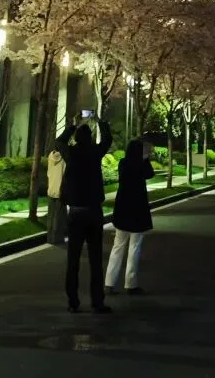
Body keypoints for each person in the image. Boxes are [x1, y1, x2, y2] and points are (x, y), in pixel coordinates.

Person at [54, 111, 112, 314]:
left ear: (76, 139)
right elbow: (107, 140)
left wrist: (73, 124)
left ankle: (73, 301)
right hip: (94, 211)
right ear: (90, 138)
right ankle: (97, 302)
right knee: (96, 260)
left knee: (73, 259)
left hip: (76, 212)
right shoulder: (95, 152)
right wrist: (100, 122)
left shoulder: (71, 153)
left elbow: (59, 141)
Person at [105, 138, 154, 296]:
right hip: (137, 212)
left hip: (123, 211)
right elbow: (150, 174)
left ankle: (109, 282)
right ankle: (130, 284)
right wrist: (145, 160)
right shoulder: (141, 165)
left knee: (117, 247)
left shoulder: (123, 163)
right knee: (134, 248)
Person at [46, 146, 67, 245]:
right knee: (59, 217)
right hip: (60, 190)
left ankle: (49, 238)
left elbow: (48, 173)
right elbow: (65, 174)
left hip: (51, 189)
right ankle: (57, 239)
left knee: (51, 215)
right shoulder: (64, 157)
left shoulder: (50, 156)